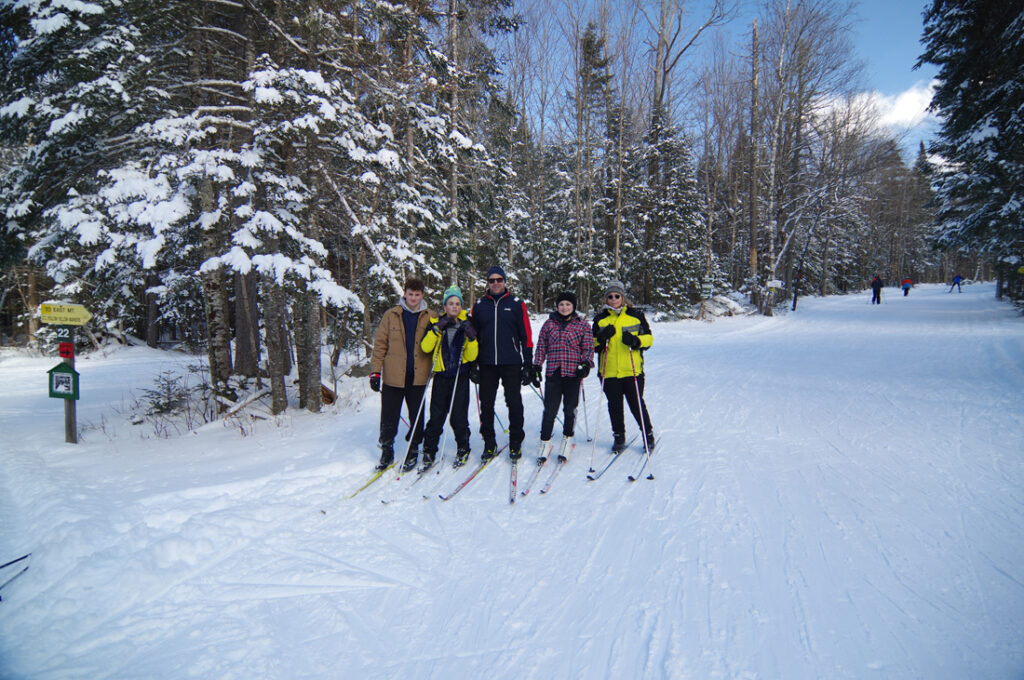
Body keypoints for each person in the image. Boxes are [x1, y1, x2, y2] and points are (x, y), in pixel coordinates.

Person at [470, 265, 534, 462]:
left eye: (499, 280)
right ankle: (489, 442)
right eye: (492, 280)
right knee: (486, 404)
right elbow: (472, 336)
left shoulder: (516, 303)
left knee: (513, 402)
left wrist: (528, 363)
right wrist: (473, 364)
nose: (495, 283)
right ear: (487, 283)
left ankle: (516, 440)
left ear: (505, 281)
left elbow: (526, 334)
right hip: (487, 362)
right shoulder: (479, 305)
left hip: (511, 362)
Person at [369, 277, 433, 470]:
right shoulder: (391, 315)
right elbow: (380, 344)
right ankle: (387, 450)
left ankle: (413, 449)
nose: (413, 298)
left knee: (417, 415)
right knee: (389, 415)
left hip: (418, 376)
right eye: (410, 294)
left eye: (417, 294)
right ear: (404, 294)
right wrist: (375, 372)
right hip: (393, 376)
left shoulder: (431, 316)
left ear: (422, 295)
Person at [419, 286, 479, 469]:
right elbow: (425, 347)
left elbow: (472, 356)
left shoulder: (466, 322)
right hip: (441, 376)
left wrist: (471, 338)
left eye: (458, 303)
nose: (454, 306)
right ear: (445, 306)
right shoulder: (437, 323)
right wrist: (436, 329)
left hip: (459, 376)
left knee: (458, 417)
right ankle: (429, 450)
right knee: (436, 416)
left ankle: (463, 447)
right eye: (451, 303)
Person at [593, 280, 655, 453]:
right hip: (609, 371)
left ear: (623, 297)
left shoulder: (636, 315)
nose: (613, 299)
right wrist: (602, 337)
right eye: (610, 296)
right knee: (614, 405)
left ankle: (647, 434)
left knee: (636, 404)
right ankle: (619, 436)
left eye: (617, 296)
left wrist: (636, 341)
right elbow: (593, 345)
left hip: (632, 370)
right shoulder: (600, 319)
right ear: (606, 299)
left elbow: (649, 339)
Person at [531, 291, 594, 463]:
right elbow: (541, 346)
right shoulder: (549, 324)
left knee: (569, 408)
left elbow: (588, 347)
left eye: (568, 304)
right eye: (561, 305)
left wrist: (586, 363)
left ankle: (567, 438)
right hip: (554, 372)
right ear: (557, 307)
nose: (564, 308)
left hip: (573, 373)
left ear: (573, 306)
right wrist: (537, 365)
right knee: (550, 409)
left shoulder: (582, 325)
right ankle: (545, 442)